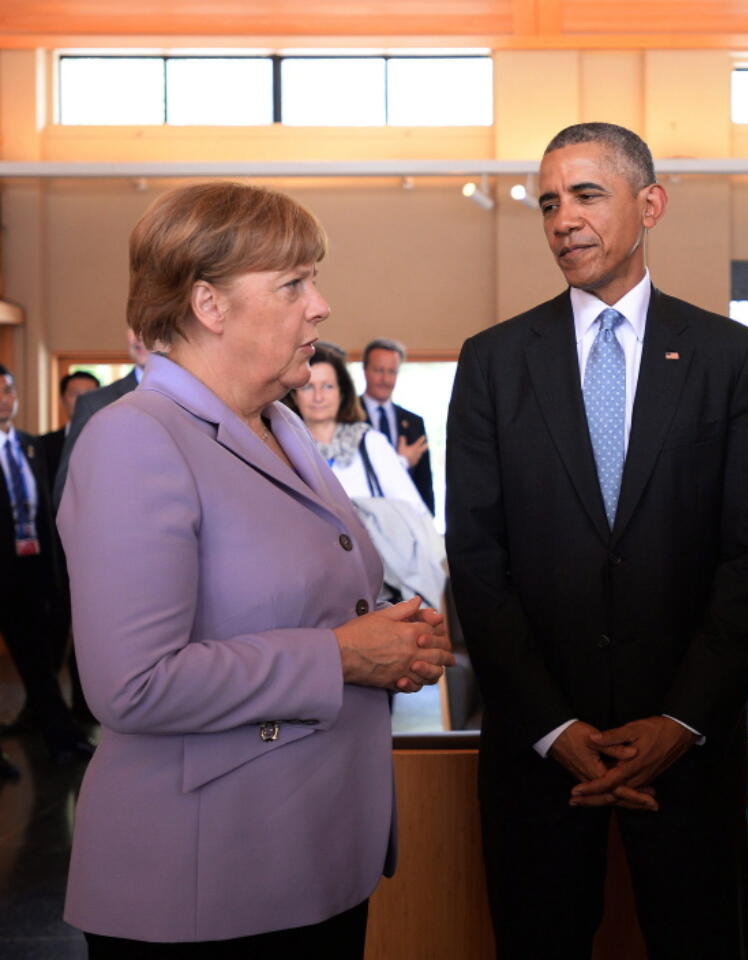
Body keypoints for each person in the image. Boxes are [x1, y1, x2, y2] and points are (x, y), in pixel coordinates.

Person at [56, 181, 453, 954]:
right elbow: (131, 683)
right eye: (294, 283)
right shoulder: (136, 437)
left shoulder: (278, 424)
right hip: (208, 880)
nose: (321, 306)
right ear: (209, 305)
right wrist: (344, 655)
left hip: (313, 855)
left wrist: (394, 642)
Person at [446, 122, 748, 958]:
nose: (563, 219)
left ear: (651, 204)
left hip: (687, 750)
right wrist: (554, 728)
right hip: (537, 757)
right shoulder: (491, 363)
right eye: (549, 202)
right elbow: (479, 562)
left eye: (587, 195)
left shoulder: (729, 357)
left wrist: (682, 720)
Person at [287, 345, 445, 608]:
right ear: (294, 395)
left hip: (380, 586)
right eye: (308, 387)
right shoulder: (284, 448)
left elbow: (415, 513)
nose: (318, 397)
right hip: (313, 588)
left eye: (327, 386)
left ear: (343, 392)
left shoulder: (370, 443)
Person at [0, 364, 93, 779]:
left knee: (38, 660)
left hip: (32, 569)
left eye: (8, 390)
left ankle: (62, 739)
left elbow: (46, 515)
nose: (4, 398)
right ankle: (59, 739)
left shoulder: (29, 445)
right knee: (34, 662)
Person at [52, 328, 150, 508]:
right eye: (134, 327)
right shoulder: (95, 404)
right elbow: (65, 491)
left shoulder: (196, 396)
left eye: (151, 324)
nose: (140, 337)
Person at [360, 337, 434, 513]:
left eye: (392, 372)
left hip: (405, 520)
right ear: (365, 370)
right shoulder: (346, 416)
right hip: (362, 518)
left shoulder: (415, 422)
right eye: (378, 370)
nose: (385, 379)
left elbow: (424, 483)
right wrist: (402, 461)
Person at [41, 369, 100, 482]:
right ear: (62, 400)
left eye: (90, 395)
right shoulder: (43, 445)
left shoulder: (113, 441)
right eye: (75, 394)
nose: (82, 401)